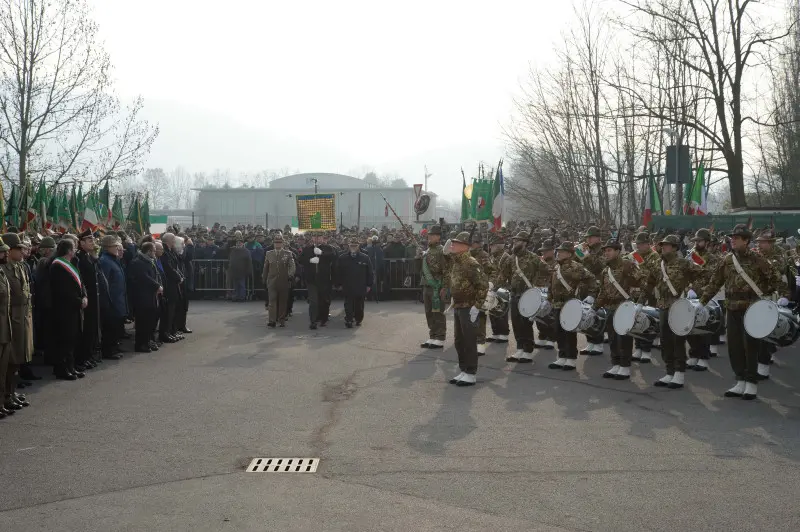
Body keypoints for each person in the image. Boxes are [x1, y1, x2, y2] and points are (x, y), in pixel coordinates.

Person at [700, 224, 784, 400]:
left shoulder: (757, 259)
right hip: (732, 308)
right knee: (735, 346)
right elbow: (715, 282)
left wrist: (773, 298)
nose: (733, 240)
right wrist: (702, 302)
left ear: (746, 241)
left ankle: (751, 383)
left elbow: (776, 278)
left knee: (750, 346)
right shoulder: (727, 260)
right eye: (733, 238)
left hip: (751, 308)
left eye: (737, 238)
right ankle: (740, 380)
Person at [640, 234, 704, 390]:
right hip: (663, 306)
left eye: (667, 245)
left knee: (678, 341)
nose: (664, 247)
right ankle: (669, 371)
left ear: (675, 247)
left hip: (679, 306)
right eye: (663, 245)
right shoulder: (657, 264)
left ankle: (679, 374)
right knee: (666, 341)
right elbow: (649, 283)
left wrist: (694, 290)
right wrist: (640, 302)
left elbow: (704, 274)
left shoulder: (684, 263)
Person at [496, 231, 549, 363]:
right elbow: (504, 275)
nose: (514, 243)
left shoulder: (533, 257)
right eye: (514, 241)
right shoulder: (511, 258)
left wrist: (538, 286)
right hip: (515, 294)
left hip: (528, 295)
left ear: (525, 243)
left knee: (526, 323)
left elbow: (547, 271)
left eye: (518, 241)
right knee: (516, 323)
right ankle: (519, 349)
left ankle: (528, 351)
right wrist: (495, 287)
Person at [593, 240, 643, 380]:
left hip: (623, 307)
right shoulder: (605, 270)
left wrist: (638, 302)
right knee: (613, 339)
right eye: (605, 251)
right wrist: (595, 307)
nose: (606, 253)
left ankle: (625, 367)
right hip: (609, 308)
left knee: (624, 338)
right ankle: (615, 364)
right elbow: (602, 292)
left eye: (609, 250)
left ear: (617, 251)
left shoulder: (627, 265)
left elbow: (642, 282)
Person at [447, 232, 489, 387]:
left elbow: (482, 285)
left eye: (455, 243)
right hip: (459, 306)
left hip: (469, 307)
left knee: (469, 340)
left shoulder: (471, 263)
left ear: (464, 247)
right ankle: (464, 370)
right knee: (459, 341)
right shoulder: (456, 262)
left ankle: (471, 373)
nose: (452, 245)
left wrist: (477, 306)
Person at [548, 242, 597, 371]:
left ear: (569, 254)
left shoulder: (576, 266)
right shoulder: (556, 267)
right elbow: (551, 284)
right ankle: (562, 356)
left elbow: (591, 278)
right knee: (558, 331)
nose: (558, 253)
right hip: (557, 304)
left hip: (570, 304)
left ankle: (571, 359)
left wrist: (591, 294)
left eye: (562, 251)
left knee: (569, 332)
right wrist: (549, 298)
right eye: (558, 251)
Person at [49, 238, 87, 381]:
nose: (76, 249)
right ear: (69, 250)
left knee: (72, 338)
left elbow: (81, 283)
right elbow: (63, 290)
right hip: (64, 309)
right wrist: (79, 301)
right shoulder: (57, 266)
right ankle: (61, 369)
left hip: (75, 308)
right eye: (74, 247)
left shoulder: (72, 264)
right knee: (64, 339)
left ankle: (71, 367)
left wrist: (84, 296)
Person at [685, 228, 721, 372]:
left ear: (707, 242)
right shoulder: (691, 255)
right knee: (689, 326)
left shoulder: (712, 259)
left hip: (703, 296)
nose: (697, 243)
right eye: (696, 241)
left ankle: (703, 358)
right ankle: (693, 354)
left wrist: (696, 288)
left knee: (703, 327)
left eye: (699, 241)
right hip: (689, 295)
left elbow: (708, 277)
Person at [628, 232, 659, 363]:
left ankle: (646, 350)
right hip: (635, 292)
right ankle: (638, 347)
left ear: (648, 244)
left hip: (649, 293)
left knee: (647, 322)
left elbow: (649, 275)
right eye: (637, 244)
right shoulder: (633, 255)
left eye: (641, 244)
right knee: (635, 321)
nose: (639, 246)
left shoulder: (654, 256)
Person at [128, 242, 163, 352]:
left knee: (149, 321)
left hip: (150, 296)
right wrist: (157, 285)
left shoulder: (149, 261)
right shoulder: (138, 262)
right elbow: (144, 277)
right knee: (142, 322)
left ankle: (147, 341)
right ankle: (140, 344)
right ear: (148, 251)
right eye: (153, 250)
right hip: (142, 297)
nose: (155, 252)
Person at [75, 229, 102, 367]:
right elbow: (81, 280)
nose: (93, 242)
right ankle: (83, 357)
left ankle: (89, 354)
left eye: (93, 240)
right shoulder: (79, 258)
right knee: (86, 329)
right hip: (87, 298)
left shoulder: (89, 257)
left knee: (92, 328)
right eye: (90, 240)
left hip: (93, 298)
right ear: (82, 242)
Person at [98, 235, 128, 359]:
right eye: (114, 245)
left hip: (118, 298)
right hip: (112, 300)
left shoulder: (113, 259)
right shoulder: (105, 261)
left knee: (115, 326)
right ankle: (108, 351)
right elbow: (104, 283)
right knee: (110, 327)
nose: (117, 248)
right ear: (107, 247)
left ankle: (114, 347)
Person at [420, 225, 450, 349]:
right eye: (429, 235)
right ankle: (432, 335)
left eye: (432, 235)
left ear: (438, 237)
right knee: (429, 312)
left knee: (438, 312)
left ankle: (440, 337)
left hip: (437, 285)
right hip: (426, 284)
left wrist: (445, 287)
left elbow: (446, 270)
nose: (429, 238)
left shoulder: (442, 251)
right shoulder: (427, 251)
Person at [578, 226, 605, 355]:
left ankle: (598, 343)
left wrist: (587, 255)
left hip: (597, 286)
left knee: (596, 315)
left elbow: (599, 266)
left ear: (598, 238)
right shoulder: (586, 249)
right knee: (585, 315)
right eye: (587, 237)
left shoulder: (603, 250)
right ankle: (590, 342)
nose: (588, 239)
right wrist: (579, 252)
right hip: (585, 286)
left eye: (591, 237)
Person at [299, 232, 336, 329]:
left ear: (323, 238)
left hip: (324, 279)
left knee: (324, 300)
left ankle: (323, 319)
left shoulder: (328, 248)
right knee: (313, 301)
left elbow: (333, 257)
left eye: (319, 236)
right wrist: (309, 260)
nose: (317, 238)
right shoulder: (307, 249)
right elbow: (300, 259)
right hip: (312, 280)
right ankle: (313, 321)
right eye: (315, 236)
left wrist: (322, 253)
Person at [335, 237, 373, 328]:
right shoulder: (342, 257)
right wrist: (338, 284)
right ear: (348, 245)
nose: (353, 247)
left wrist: (369, 285)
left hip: (360, 285)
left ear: (358, 246)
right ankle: (349, 319)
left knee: (359, 305)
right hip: (347, 285)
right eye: (351, 245)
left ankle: (358, 319)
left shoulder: (365, 257)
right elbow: (338, 272)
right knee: (348, 304)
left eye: (355, 245)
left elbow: (370, 272)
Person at [0, 237, 18, 418]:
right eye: (3, 251)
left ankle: (2, 403)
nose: (6, 253)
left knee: (3, 369)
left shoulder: (2, 272)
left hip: (5, 329)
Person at [263, 232, 295, 327]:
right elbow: (266, 267)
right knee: (272, 301)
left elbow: (292, 266)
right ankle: (272, 320)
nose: (278, 244)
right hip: (272, 281)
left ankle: (281, 319)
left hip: (283, 280)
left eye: (279, 242)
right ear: (273, 243)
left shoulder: (288, 254)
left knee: (282, 301)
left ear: (283, 243)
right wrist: (264, 278)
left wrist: (290, 274)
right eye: (276, 242)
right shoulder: (269, 254)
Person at [486, 234, 510, 343]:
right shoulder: (492, 257)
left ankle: (503, 334)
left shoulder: (505, 257)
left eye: (493, 245)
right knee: (492, 310)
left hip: (502, 288)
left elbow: (506, 273)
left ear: (499, 246)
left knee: (501, 311)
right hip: (492, 287)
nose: (490, 247)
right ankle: (496, 333)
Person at [227, 236, 252, 302]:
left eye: (240, 243)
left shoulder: (246, 251)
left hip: (242, 270)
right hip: (234, 270)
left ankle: (242, 297)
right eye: (237, 243)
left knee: (241, 284)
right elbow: (231, 260)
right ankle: (236, 296)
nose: (238, 244)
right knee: (235, 285)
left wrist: (248, 270)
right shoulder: (233, 251)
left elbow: (249, 261)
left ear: (243, 244)